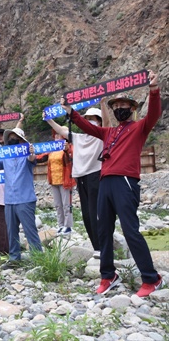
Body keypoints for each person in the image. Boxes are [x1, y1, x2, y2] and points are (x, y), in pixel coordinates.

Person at [62, 70, 164, 297]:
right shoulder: (109, 132)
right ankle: (108, 275)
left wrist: (154, 90)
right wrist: (71, 112)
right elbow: (89, 128)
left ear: (132, 108)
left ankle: (151, 278)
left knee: (130, 230)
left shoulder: (139, 128)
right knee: (103, 230)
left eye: (123, 105)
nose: (119, 109)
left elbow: (154, 114)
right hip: (105, 182)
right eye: (116, 105)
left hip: (125, 182)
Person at [0, 128, 42, 268]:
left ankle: (38, 259)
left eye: (14, 136)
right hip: (9, 199)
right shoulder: (6, 157)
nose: (11, 139)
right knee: (11, 231)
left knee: (30, 230)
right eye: (9, 137)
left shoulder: (27, 155)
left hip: (25, 199)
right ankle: (14, 258)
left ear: (22, 139)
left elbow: (32, 158)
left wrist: (32, 152)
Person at [44, 108, 105, 255]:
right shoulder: (78, 137)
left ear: (99, 121)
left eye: (94, 118)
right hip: (80, 177)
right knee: (85, 214)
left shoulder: (102, 135)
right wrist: (48, 119)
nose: (90, 120)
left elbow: (107, 122)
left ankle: (103, 246)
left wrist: (103, 104)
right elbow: (62, 131)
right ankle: (96, 246)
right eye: (87, 118)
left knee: (95, 212)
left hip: (95, 175)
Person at [36, 127, 76, 236]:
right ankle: (61, 225)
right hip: (53, 180)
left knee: (67, 204)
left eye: (59, 135)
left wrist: (67, 149)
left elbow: (72, 155)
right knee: (58, 205)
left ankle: (68, 226)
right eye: (56, 135)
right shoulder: (51, 149)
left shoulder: (69, 148)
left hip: (65, 180)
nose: (57, 137)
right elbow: (40, 157)